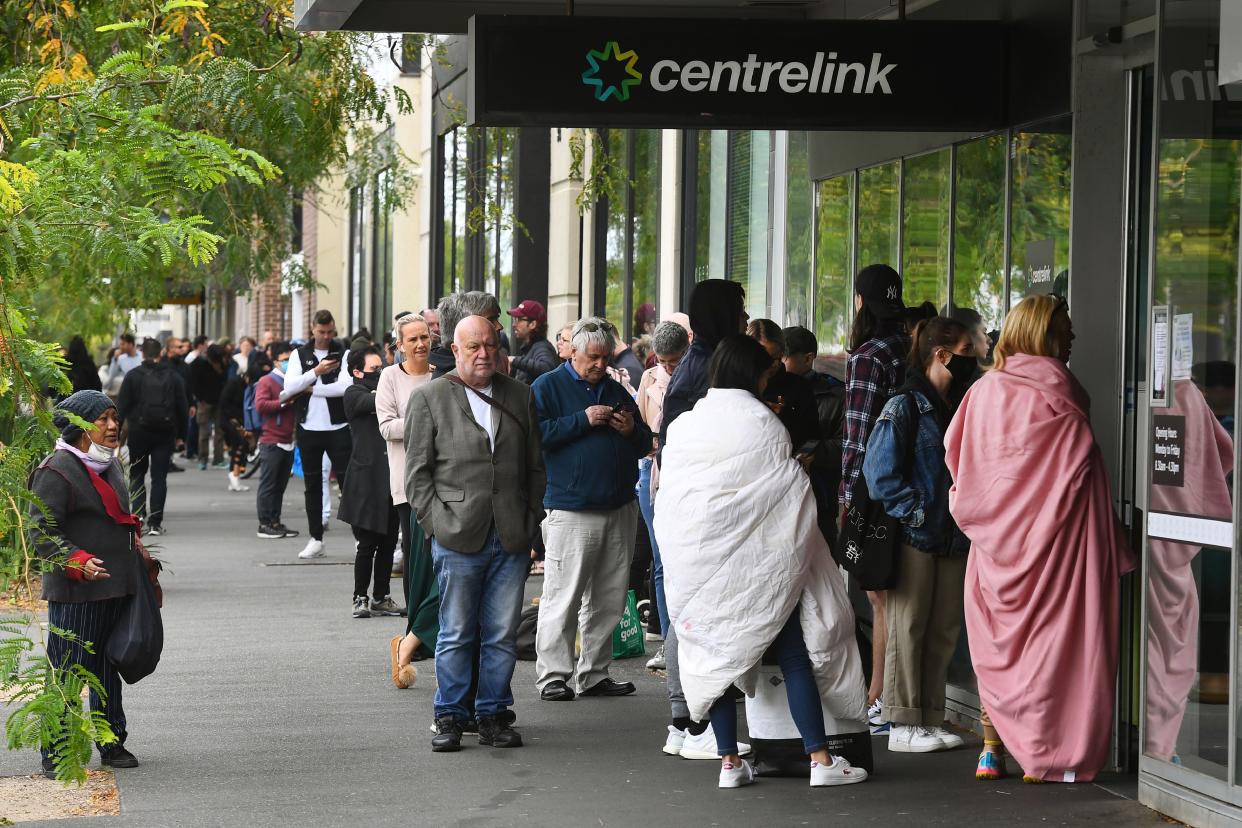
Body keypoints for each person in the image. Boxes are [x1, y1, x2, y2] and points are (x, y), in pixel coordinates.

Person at [656, 335, 868, 790]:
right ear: (752, 374)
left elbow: (672, 497)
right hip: (759, 565)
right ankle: (820, 759)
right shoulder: (763, 423)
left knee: (715, 656)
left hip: (703, 563)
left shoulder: (688, 424)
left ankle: (729, 763)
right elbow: (789, 490)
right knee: (793, 655)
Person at [945, 294, 1135, 783]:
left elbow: (957, 457)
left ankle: (992, 750)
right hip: (1061, 547)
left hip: (994, 546)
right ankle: (1050, 753)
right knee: (1057, 647)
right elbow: (1074, 466)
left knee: (999, 644)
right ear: (1040, 333)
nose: (1071, 337)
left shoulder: (983, 391)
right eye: (1063, 330)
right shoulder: (1061, 391)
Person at [405, 315, 545, 752]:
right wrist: (438, 525)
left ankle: (493, 713)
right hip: (457, 535)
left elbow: (535, 467)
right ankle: (449, 715)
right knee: (456, 631)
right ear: (455, 348)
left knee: (502, 632)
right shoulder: (430, 397)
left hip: (511, 536)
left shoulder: (520, 396)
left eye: (489, 344)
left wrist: (530, 517)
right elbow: (417, 477)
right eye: (473, 347)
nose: (483, 354)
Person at [862, 317, 975, 755]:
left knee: (942, 629)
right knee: (909, 627)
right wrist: (915, 511)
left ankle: (928, 717)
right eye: (967, 349)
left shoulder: (959, 403)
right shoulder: (905, 405)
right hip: (917, 535)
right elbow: (879, 472)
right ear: (941, 354)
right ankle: (903, 720)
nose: (975, 358)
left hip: (953, 535)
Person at [30, 391, 153, 777]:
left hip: (117, 587)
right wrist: (78, 561)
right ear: (79, 426)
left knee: (107, 670)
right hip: (77, 592)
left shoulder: (110, 464)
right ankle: (57, 751)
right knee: (69, 671)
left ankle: (112, 742)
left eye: (115, 417)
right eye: (102, 419)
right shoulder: (55, 469)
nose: (113, 426)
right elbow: (41, 531)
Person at [531, 317, 653, 702]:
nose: (600, 365)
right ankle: (553, 675)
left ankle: (595, 672)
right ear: (573, 352)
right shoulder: (547, 386)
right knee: (562, 596)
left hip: (619, 505)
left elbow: (646, 440)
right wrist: (581, 421)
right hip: (571, 508)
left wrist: (630, 429)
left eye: (605, 357)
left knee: (609, 597)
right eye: (593, 358)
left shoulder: (616, 390)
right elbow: (535, 437)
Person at [656, 279, 748, 759]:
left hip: (702, 503)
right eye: (740, 309)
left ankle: (694, 718)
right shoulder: (703, 369)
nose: (746, 318)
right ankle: (690, 720)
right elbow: (682, 443)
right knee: (693, 610)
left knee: (698, 607)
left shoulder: (709, 360)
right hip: (701, 505)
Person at [839, 264, 909, 730]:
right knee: (903, 597)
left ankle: (880, 697)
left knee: (882, 597)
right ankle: (892, 696)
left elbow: (859, 432)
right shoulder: (911, 346)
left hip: (875, 490)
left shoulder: (869, 355)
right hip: (914, 483)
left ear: (861, 302)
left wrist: (846, 494)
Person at [377, 314, 436, 685]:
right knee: (416, 563)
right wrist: (425, 419)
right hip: (407, 484)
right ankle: (413, 635)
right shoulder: (390, 378)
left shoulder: (443, 375)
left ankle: (419, 639)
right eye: (412, 339)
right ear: (399, 345)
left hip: (443, 482)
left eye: (424, 337)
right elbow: (386, 427)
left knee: (434, 564)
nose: (420, 344)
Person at [635, 321, 689, 670]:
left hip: (682, 469)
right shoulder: (648, 378)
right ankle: (668, 641)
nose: (668, 367)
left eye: (675, 360)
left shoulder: (697, 375)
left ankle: (686, 643)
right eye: (663, 361)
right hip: (651, 469)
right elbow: (640, 424)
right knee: (660, 560)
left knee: (681, 560)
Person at [281, 310, 352, 559]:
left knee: (348, 484)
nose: (325, 336)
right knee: (312, 485)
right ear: (312, 329)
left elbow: (345, 387)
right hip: (308, 427)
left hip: (338, 427)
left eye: (329, 332)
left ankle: (359, 538)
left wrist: (312, 389)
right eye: (321, 332)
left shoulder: (343, 352)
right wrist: (316, 372)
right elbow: (289, 387)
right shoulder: (299, 354)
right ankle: (316, 538)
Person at [340, 345, 404, 619]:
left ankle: (381, 596)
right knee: (367, 544)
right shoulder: (353, 393)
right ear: (357, 372)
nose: (380, 373)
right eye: (374, 370)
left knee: (389, 542)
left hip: (391, 476)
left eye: (382, 367)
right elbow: (372, 402)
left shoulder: (386, 391)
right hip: (366, 480)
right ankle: (360, 596)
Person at [116, 338, 187, 536]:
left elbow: (121, 407)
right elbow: (182, 408)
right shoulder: (173, 376)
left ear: (142, 353)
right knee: (159, 477)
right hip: (165, 434)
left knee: (137, 474)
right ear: (161, 353)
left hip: (139, 433)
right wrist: (182, 436)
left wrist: (116, 433)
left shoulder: (132, 376)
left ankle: (138, 516)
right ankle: (155, 521)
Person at [782, 326, 846, 537]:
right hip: (781, 500)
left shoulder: (835, 395)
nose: (778, 365)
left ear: (808, 358)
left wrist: (815, 453)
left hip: (820, 498)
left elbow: (847, 445)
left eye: (785, 358)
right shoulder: (770, 391)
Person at [254, 341, 301, 540]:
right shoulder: (267, 381)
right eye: (284, 360)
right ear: (275, 362)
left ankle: (275, 521)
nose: (288, 363)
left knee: (280, 485)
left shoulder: (295, 381)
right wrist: (284, 402)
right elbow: (261, 405)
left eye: (291, 360)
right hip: (271, 440)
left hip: (288, 440)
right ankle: (264, 523)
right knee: (269, 484)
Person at [190, 344, 228, 470]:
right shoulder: (199, 363)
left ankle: (217, 458)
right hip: (205, 402)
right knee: (204, 432)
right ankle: (204, 459)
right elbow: (193, 383)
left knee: (219, 431)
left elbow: (224, 379)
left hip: (217, 401)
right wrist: (200, 398)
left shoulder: (221, 363)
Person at [217, 360, 251, 492]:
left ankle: (236, 475)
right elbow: (224, 404)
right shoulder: (234, 383)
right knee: (240, 444)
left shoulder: (249, 386)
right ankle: (234, 474)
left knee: (243, 445)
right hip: (228, 419)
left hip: (240, 419)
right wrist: (235, 420)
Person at [508, 299, 559, 385]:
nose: (514, 324)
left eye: (519, 319)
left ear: (533, 324)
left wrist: (514, 360)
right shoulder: (531, 347)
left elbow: (547, 368)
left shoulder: (542, 347)